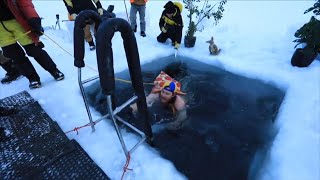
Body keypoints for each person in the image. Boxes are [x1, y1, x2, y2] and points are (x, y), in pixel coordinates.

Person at [0, 0, 64, 89]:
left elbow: (25, 3)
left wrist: (33, 18)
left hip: (16, 22)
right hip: (1, 32)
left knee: (34, 49)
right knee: (15, 56)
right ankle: (32, 78)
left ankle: (54, 70)